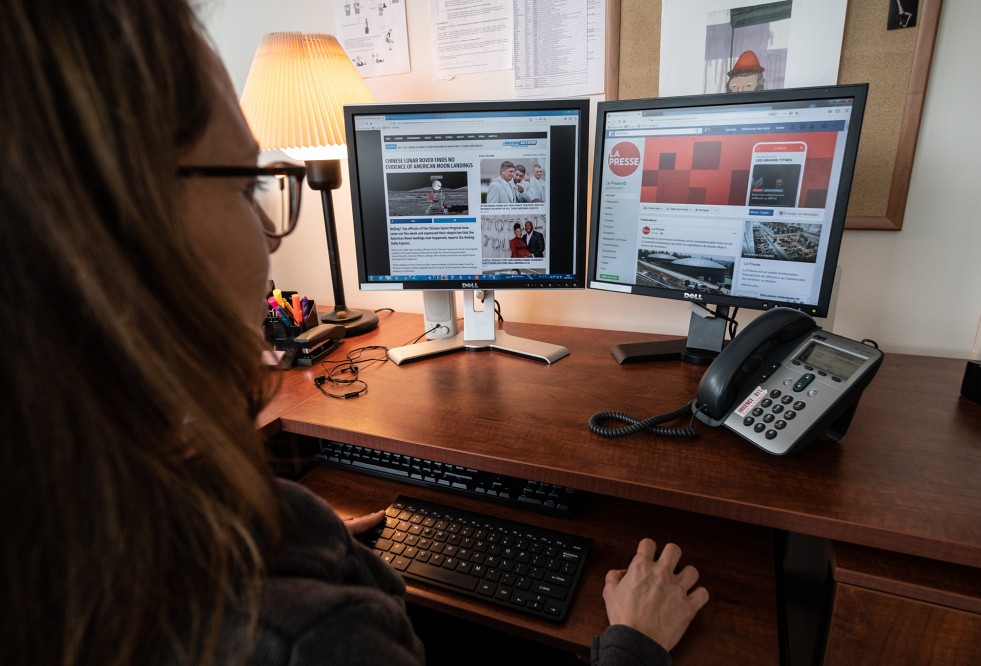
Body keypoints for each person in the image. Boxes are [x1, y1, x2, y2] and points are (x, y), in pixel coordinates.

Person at [2, 1, 708, 664]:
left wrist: (305, 540)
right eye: (246, 185)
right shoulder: (311, 635)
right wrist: (632, 642)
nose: (271, 239)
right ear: (116, 225)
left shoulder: (72, 529)